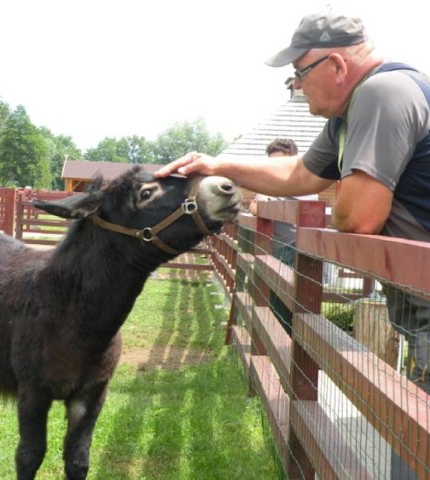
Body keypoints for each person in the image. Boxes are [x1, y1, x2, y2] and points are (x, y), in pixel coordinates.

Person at [156, 9, 430, 478]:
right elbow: (301, 174)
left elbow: (359, 216)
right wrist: (220, 164)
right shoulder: (349, 116)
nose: (297, 87)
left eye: (299, 74)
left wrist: (344, 201)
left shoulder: (383, 94)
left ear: (337, 67)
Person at [249, 138, 318, 335]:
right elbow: (255, 207)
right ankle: (274, 348)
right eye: (272, 162)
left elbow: (259, 205)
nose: (275, 167)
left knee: (285, 304)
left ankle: (283, 351)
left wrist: (262, 196)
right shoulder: (277, 186)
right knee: (273, 299)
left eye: (280, 162)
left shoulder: (302, 185)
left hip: (294, 251)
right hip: (278, 250)